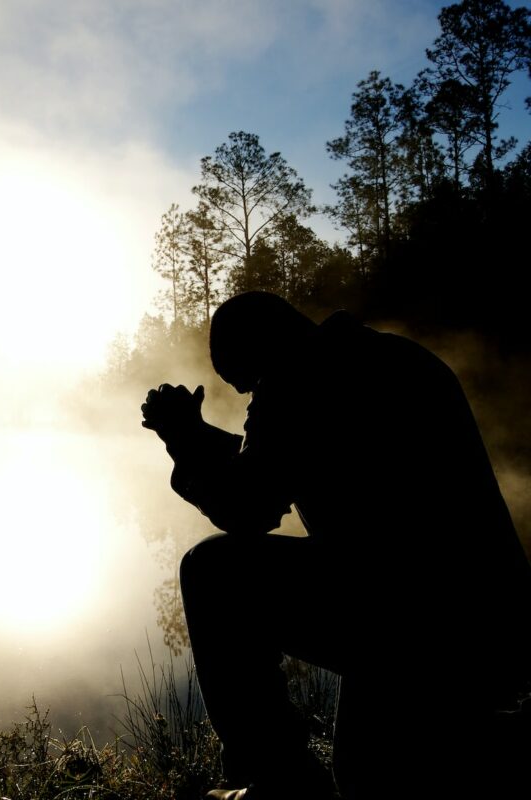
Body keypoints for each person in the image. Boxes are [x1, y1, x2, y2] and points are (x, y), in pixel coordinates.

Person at [141, 292, 531, 800]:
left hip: (404, 616)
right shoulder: (391, 357)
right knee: (366, 773)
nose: (252, 399)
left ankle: (277, 782)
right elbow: (281, 457)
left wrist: (183, 439)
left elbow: (249, 508)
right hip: (483, 617)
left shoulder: (298, 380)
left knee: (212, 571)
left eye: (250, 384)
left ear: (264, 348)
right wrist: (199, 436)